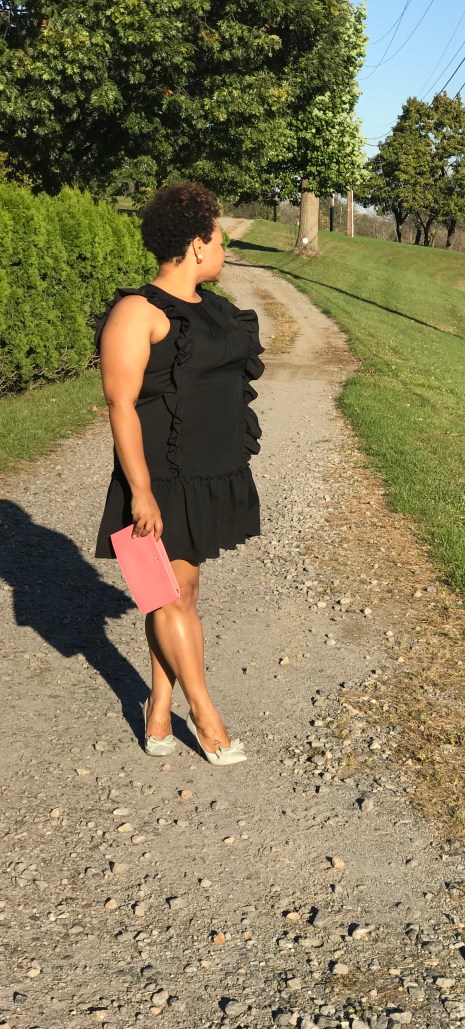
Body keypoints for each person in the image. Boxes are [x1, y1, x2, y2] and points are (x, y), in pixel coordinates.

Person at [95, 183, 264, 765]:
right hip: (156, 480)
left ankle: (158, 707)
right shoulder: (136, 313)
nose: (223, 250)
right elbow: (120, 404)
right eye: (218, 239)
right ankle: (206, 714)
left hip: (205, 475)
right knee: (168, 597)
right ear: (196, 245)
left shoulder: (212, 308)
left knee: (177, 593)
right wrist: (140, 492)